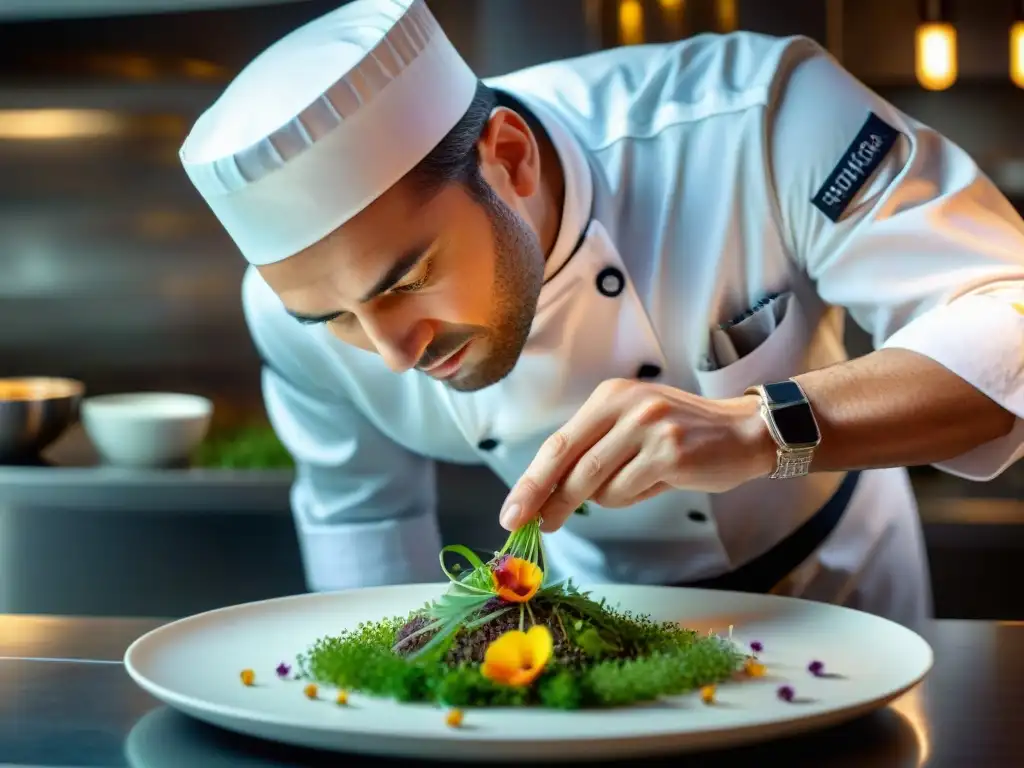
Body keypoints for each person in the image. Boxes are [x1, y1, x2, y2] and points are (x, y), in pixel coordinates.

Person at [179, 0, 1023, 629]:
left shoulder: (755, 120)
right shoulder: (290, 317)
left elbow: (1007, 319)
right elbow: (365, 521)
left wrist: (759, 430)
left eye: (406, 280)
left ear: (507, 157)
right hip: (588, 624)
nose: (389, 355)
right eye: (333, 317)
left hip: (841, 594)